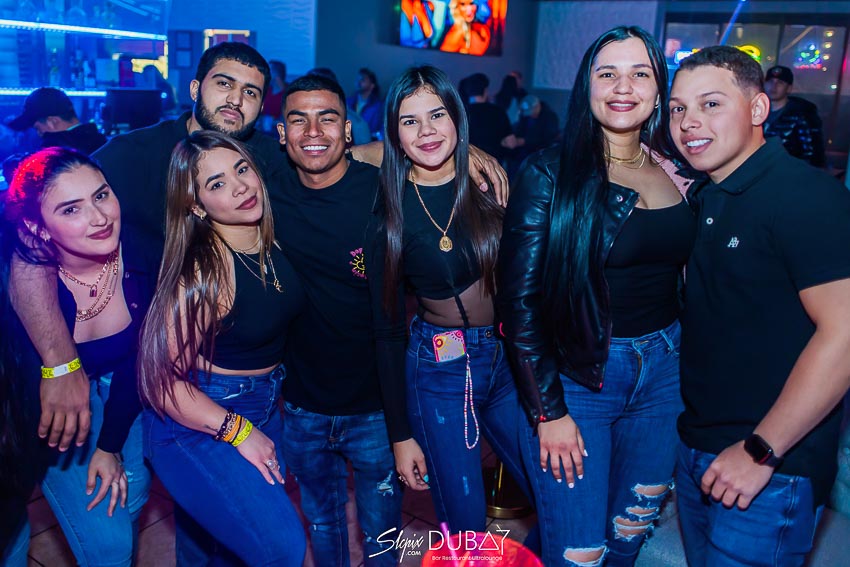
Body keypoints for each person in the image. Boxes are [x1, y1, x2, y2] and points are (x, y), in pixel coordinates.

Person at [274, 72, 508, 566]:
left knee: (383, 533)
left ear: (348, 129)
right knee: (323, 524)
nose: (313, 131)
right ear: (281, 132)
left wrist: (466, 150)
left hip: (376, 404)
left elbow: (413, 152)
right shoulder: (266, 191)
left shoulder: (382, 192)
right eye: (299, 120)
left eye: (327, 119)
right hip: (302, 400)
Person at [498, 26, 694, 567]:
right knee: (579, 551)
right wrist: (548, 412)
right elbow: (519, 301)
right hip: (581, 379)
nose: (623, 87)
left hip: (666, 375)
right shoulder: (549, 172)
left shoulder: (679, 171)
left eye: (640, 73)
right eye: (608, 73)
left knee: (629, 535)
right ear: (587, 85)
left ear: (659, 88)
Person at [669, 45, 850, 567]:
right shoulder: (707, 195)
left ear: (757, 108)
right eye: (678, 108)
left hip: (770, 466)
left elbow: (844, 333)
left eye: (710, 104)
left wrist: (761, 450)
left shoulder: (805, 196)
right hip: (699, 449)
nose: (688, 122)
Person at [367, 64, 532, 533]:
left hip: (508, 358)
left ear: (457, 117)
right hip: (442, 369)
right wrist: (400, 435)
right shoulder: (389, 214)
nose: (426, 131)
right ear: (394, 133)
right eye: (410, 120)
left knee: (555, 490)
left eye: (437, 115)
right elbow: (386, 332)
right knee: (465, 520)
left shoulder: (490, 185)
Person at [138, 130, 306, 565]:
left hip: (264, 404)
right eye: (216, 183)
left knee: (218, 547)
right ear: (196, 205)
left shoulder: (266, 239)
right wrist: (238, 431)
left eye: (242, 169)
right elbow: (159, 381)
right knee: (282, 547)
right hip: (196, 419)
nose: (240, 187)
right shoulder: (204, 272)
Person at [2, 147, 154, 566]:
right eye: (71, 209)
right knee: (105, 543)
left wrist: (109, 445)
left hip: (126, 384)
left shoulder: (143, 251)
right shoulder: (18, 276)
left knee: (133, 492)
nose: (99, 217)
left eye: (101, 195)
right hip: (40, 407)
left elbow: (142, 357)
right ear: (36, 227)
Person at [5, 87, 107, 155]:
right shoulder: (103, 143)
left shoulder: (55, 152)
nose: (39, 134)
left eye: (38, 128)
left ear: (52, 122)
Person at [762, 65, 826, 168]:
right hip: (762, 169)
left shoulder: (801, 115)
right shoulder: (757, 111)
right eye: (770, 81)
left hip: (788, 170)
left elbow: (810, 152)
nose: (773, 86)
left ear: (789, 88)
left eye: (780, 83)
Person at [464, 73, 517, 163]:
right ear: (485, 91)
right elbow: (511, 143)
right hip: (493, 164)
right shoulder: (498, 112)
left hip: (468, 164)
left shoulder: (460, 113)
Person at [347, 67, 383, 140]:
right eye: (357, 79)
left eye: (363, 79)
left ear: (372, 85)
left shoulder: (379, 107)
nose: (359, 82)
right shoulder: (347, 103)